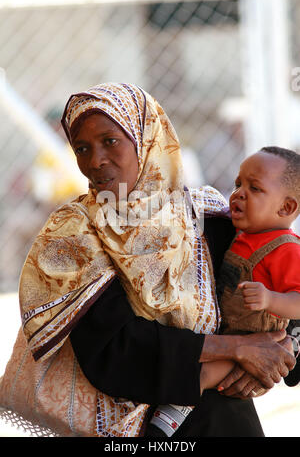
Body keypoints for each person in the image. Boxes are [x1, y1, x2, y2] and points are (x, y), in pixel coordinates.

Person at [18, 83, 296, 438]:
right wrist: (237, 348)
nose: (95, 161)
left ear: (147, 138)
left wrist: (282, 348)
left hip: (227, 421)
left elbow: (286, 281)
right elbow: (113, 351)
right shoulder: (73, 238)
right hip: (135, 430)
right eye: (82, 148)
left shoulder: (209, 216)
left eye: (110, 141)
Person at [218, 147, 300, 335]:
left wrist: (270, 299)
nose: (239, 193)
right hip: (226, 332)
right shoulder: (242, 233)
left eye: (254, 188)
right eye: (238, 184)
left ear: (286, 207)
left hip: (259, 343)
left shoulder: (286, 249)